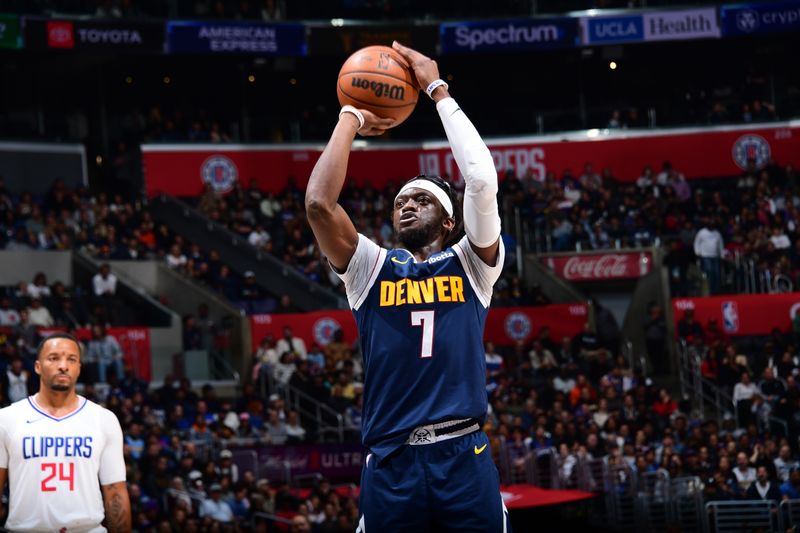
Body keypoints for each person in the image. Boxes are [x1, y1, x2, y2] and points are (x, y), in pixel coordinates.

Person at [305, 41, 509, 532]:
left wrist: (438, 91)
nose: (407, 206)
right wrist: (350, 116)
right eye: (400, 201)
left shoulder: (472, 265)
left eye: (421, 199)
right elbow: (318, 204)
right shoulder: (371, 269)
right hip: (392, 459)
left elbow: (481, 180)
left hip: (463, 454)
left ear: (449, 221)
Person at [0, 333, 130, 531]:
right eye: (54, 358)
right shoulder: (7, 419)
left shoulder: (104, 419)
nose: (63, 365)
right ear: (37, 367)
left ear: (79, 368)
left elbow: (115, 493)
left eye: (72, 359)